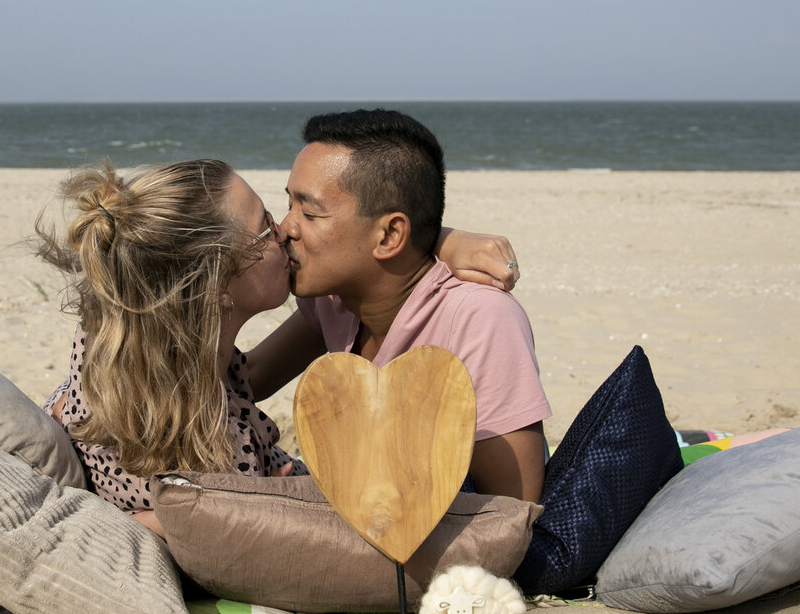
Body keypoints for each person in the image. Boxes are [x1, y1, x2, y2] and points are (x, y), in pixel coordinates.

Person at [37, 157, 518, 536]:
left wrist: (430, 240)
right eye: (267, 225)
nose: (286, 229)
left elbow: (264, 369)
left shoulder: (133, 350)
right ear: (217, 283)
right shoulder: (224, 459)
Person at [244, 109, 551, 503]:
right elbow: (251, 376)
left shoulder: (478, 318)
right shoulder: (335, 301)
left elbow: (515, 508)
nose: (286, 228)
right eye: (288, 204)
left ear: (390, 235)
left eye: (310, 212)